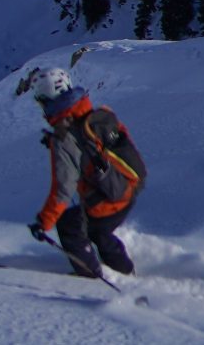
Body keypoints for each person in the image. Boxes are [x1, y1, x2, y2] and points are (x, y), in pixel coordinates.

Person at [29, 66, 143, 278]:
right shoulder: (93, 115)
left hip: (110, 198)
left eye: (40, 101)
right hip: (127, 187)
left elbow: (63, 189)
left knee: (70, 226)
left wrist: (44, 222)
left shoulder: (64, 137)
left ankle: (91, 278)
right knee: (97, 230)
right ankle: (125, 272)